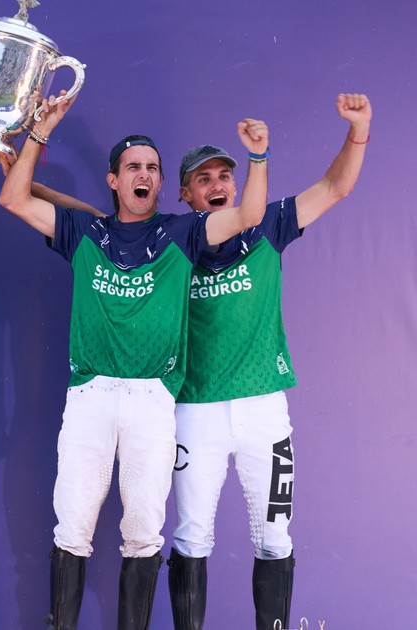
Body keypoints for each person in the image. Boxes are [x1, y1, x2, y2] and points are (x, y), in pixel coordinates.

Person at [0, 93, 270, 630]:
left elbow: (251, 214)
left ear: (161, 183)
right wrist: (39, 132)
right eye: (133, 167)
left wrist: (257, 157)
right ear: (114, 180)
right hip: (90, 395)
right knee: (71, 529)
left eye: (151, 168)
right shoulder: (85, 232)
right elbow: (12, 198)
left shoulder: (183, 232)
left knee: (144, 534)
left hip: (152, 400)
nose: (143, 174)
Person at [167, 94, 372, 630]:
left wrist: (359, 129)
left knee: (276, 537)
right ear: (185, 193)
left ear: (237, 186)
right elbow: (103, 225)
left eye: (224, 176)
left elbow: (336, 187)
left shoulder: (268, 226)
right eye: (204, 179)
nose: (217, 185)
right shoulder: (169, 241)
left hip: (264, 409)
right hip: (194, 409)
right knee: (190, 537)